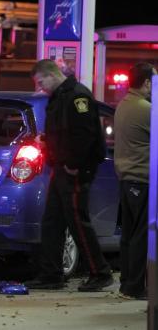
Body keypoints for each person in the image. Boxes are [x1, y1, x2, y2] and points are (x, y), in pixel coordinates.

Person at [26, 59, 113, 291]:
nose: (40, 87)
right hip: (62, 167)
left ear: (52, 75)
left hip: (74, 169)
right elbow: (64, 132)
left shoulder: (77, 96)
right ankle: (51, 274)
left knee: (77, 222)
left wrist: (74, 165)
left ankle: (100, 273)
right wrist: (46, 141)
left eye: (41, 81)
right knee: (52, 221)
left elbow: (84, 135)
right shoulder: (61, 95)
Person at [114, 62, 156, 300]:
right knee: (142, 236)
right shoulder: (145, 108)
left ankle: (126, 284)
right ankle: (135, 287)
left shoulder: (124, 104)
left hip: (127, 178)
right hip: (142, 179)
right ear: (148, 83)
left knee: (129, 235)